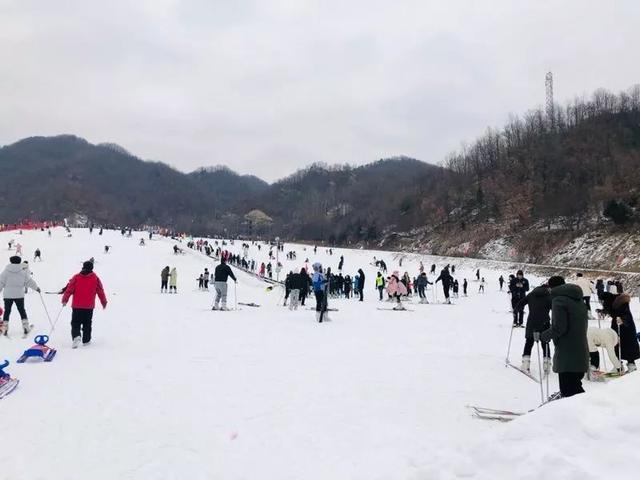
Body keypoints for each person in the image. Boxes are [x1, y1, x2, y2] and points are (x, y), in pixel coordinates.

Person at [540, 276, 589, 398]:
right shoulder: (579, 300)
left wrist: (544, 335)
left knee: (570, 392)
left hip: (567, 354)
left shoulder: (559, 301)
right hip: (581, 351)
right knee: (575, 388)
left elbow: (559, 328)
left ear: (552, 288)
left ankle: (586, 413)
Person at [61, 261, 107, 348]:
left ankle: (76, 336)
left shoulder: (76, 277)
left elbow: (69, 289)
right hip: (89, 306)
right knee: (87, 323)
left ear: (83, 267)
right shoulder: (95, 278)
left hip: (77, 306)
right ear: (92, 268)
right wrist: (103, 302)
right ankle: (86, 340)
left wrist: (65, 300)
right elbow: (100, 291)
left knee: (75, 322)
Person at [0, 256, 41, 336]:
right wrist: (36, 288)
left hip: (8, 296)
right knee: (21, 310)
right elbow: (29, 281)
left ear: (11, 261)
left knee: (7, 311)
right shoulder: (23, 271)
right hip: (19, 295)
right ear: (19, 262)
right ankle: (25, 327)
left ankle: (5, 328)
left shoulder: (5, 272)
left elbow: (0, 282)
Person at [600, 292, 639, 372]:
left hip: (626, 327)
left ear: (607, 300)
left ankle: (631, 365)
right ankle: (618, 365)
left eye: (603, 301)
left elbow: (626, 314)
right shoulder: (612, 302)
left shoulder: (621, 302)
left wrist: (622, 319)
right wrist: (602, 311)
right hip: (616, 325)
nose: (603, 303)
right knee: (616, 344)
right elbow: (610, 310)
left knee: (628, 345)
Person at [518, 283, 552, 374]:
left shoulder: (531, 294)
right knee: (545, 343)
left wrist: (515, 311)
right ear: (547, 289)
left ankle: (525, 364)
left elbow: (521, 303)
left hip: (532, 322)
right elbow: (555, 308)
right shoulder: (549, 296)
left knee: (529, 342)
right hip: (545, 322)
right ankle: (547, 365)